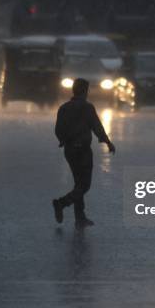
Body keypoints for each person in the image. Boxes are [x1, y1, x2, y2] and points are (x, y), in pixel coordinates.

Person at [53, 78, 116, 229]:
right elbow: (97, 127)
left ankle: (80, 217)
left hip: (69, 151)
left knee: (78, 183)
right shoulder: (87, 108)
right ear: (85, 91)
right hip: (83, 151)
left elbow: (58, 130)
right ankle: (61, 203)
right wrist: (107, 142)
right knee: (84, 185)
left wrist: (64, 140)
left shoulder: (64, 108)